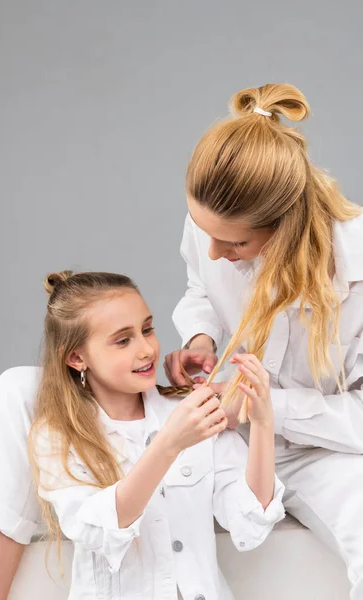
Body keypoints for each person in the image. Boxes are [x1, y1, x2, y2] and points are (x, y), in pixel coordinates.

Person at [0, 270, 284, 600]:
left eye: (147, 329)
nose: (146, 349)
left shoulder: (191, 412)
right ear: (76, 358)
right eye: (123, 340)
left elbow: (251, 521)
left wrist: (261, 422)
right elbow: (100, 532)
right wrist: (169, 444)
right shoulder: (58, 434)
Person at [163, 83, 363, 599]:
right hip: (229, 438)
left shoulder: (357, 272)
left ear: (286, 224)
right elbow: (198, 283)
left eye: (235, 243)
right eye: (202, 231)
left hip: (327, 450)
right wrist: (202, 337)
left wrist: (264, 408)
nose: (212, 252)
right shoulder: (214, 224)